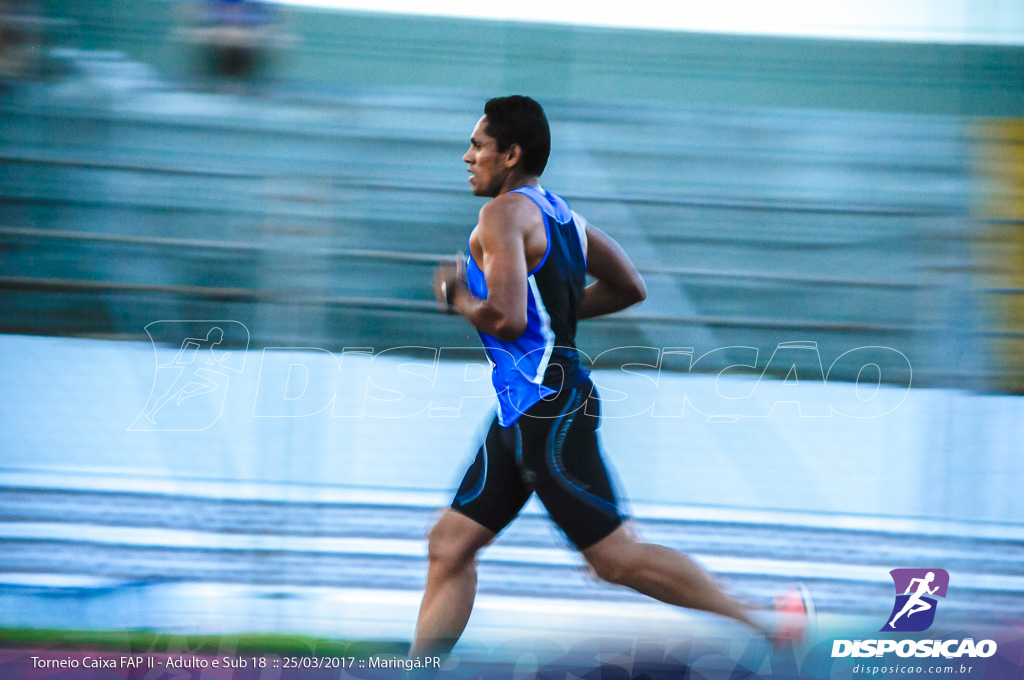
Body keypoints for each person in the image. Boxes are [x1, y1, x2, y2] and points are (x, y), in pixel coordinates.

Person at [415, 95, 807, 656]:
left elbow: (507, 318)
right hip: (527, 406)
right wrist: (558, 317)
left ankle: (770, 622)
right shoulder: (562, 216)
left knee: (614, 558)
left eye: (477, 146)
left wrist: (457, 297)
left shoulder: (500, 215)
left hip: (544, 405)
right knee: (449, 545)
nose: (467, 156)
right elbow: (630, 286)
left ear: (511, 154)